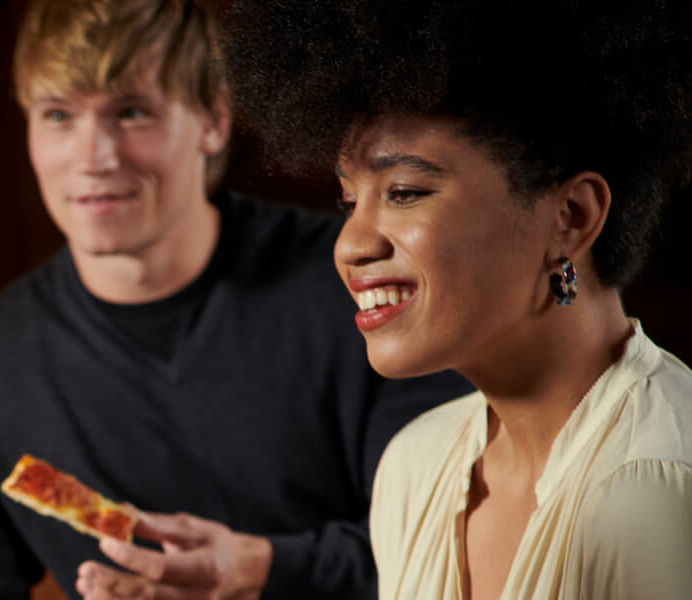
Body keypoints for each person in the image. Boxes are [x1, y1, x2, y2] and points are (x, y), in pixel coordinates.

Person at [0, 0, 473, 597]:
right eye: (57, 115)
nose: (94, 158)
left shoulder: (359, 283)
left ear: (213, 121)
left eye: (131, 112)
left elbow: (452, 546)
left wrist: (264, 570)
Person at [225, 1, 692, 597]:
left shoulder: (656, 492)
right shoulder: (415, 466)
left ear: (571, 218)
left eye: (405, 192)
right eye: (349, 201)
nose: (351, 244)